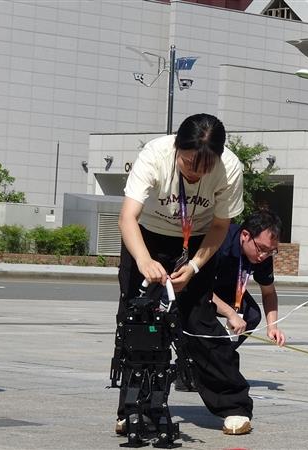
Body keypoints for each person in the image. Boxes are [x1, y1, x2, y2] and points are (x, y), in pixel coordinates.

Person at [115, 113, 245, 436]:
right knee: (139, 320)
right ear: (177, 147)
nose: (195, 172)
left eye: (205, 167)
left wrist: (195, 266)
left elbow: (220, 226)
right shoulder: (154, 155)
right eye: (189, 163)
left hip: (197, 241)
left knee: (199, 320)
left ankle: (234, 404)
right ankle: (135, 409)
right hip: (147, 235)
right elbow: (127, 218)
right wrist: (145, 261)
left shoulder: (230, 169)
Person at [208, 208, 287, 435]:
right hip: (199, 288)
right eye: (261, 249)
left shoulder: (263, 254)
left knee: (252, 315)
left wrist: (273, 326)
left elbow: (269, 293)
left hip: (229, 289)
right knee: (203, 320)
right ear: (245, 236)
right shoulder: (220, 242)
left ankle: (218, 358)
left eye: (271, 252)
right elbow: (198, 287)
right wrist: (230, 314)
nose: (263, 256)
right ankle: (201, 362)